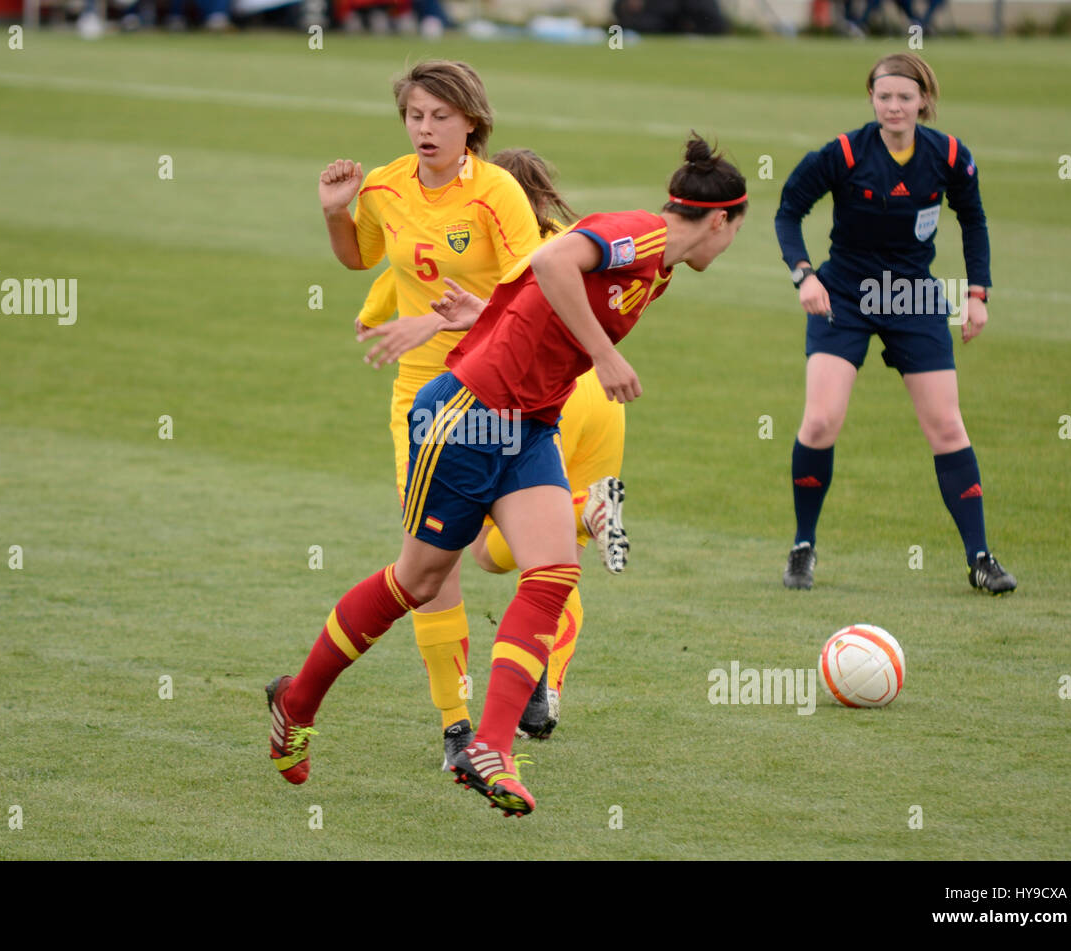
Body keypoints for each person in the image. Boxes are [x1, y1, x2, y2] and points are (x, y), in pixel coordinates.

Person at [270, 136, 747, 816]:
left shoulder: (658, 266)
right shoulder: (641, 234)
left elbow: (532, 276)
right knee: (419, 579)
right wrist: (603, 353)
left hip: (529, 426)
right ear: (722, 221)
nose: (725, 248)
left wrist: (487, 312)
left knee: (552, 570)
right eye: (731, 235)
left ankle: (492, 748)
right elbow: (554, 257)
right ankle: (296, 700)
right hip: (466, 413)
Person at [358, 147, 630, 746]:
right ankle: (546, 677)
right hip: (592, 397)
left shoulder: (465, 248)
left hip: (502, 394)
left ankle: (457, 725)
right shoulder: (573, 240)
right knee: (551, 558)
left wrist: (400, 312)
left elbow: (378, 306)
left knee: (462, 557)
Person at [317, 60, 544, 773]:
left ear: (471, 121)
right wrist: (335, 212)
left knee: (528, 555)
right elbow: (362, 258)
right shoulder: (384, 186)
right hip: (423, 401)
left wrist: (455, 324)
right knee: (432, 566)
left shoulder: (497, 194)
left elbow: (534, 295)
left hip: (503, 386)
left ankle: (537, 677)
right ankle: (456, 723)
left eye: (441, 117)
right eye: (416, 116)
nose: (425, 129)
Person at [774, 52, 1016, 595]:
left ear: (924, 101)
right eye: (884, 96)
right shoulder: (842, 152)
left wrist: (978, 292)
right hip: (845, 296)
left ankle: (980, 558)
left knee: (948, 427)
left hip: (912, 296)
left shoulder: (949, 154)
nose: (894, 106)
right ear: (871, 99)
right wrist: (804, 276)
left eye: (905, 97)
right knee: (820, 422)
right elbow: (789, 210)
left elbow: (973, 219)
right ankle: (803, 547)